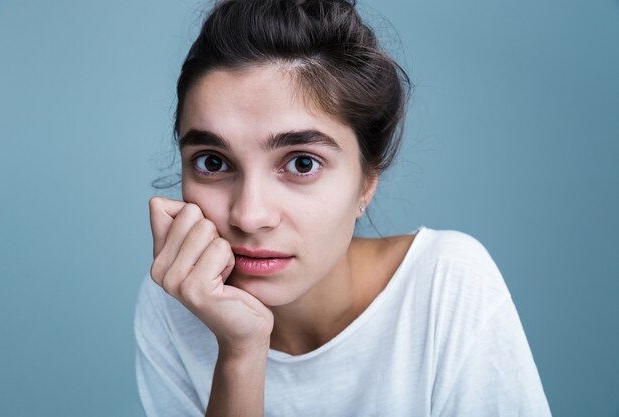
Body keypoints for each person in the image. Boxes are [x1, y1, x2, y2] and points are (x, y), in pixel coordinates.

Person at [134, 0, 552, 416]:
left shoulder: (445, 287)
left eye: (302, 163)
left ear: (366, 180)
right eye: (213, 162)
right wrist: (240, 354)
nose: (249, 215)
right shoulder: (179, 302)